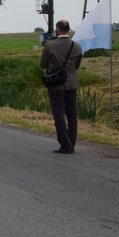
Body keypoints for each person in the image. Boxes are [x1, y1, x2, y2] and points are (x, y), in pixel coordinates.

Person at [40, 19, 83, 154]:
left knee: (59, 114)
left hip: (56, 84)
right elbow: (77, 65)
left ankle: (65, 144)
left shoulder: (51, 46)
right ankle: (72, 142)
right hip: (71, 83)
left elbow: (43, 64)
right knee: (72, 114)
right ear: (69, 29)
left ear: (57, 29)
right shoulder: (76, 46)